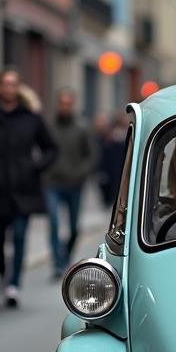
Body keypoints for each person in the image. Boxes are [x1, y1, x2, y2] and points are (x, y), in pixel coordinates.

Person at [0, 68, 56, 307]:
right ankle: (3, 274)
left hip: (24, 189)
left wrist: (35, 167)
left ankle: (14, 284)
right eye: (5, 84)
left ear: (19, 88)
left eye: (13, 84)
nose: (9, 88)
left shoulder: (31, 117)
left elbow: (50, 148)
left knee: (19, 236)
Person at [46, 88, 97, 278]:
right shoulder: (49, 127)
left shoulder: (82, 128)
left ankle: (66, 254)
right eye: (62, 103)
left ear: (73, 105)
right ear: (57, 104)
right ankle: (58, 262)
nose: (65, 107)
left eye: (68, 103)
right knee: (53, 223)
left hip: (75, 185)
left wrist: (80, 174)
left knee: (74, 227)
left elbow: (91, 156)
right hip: (52, 183)